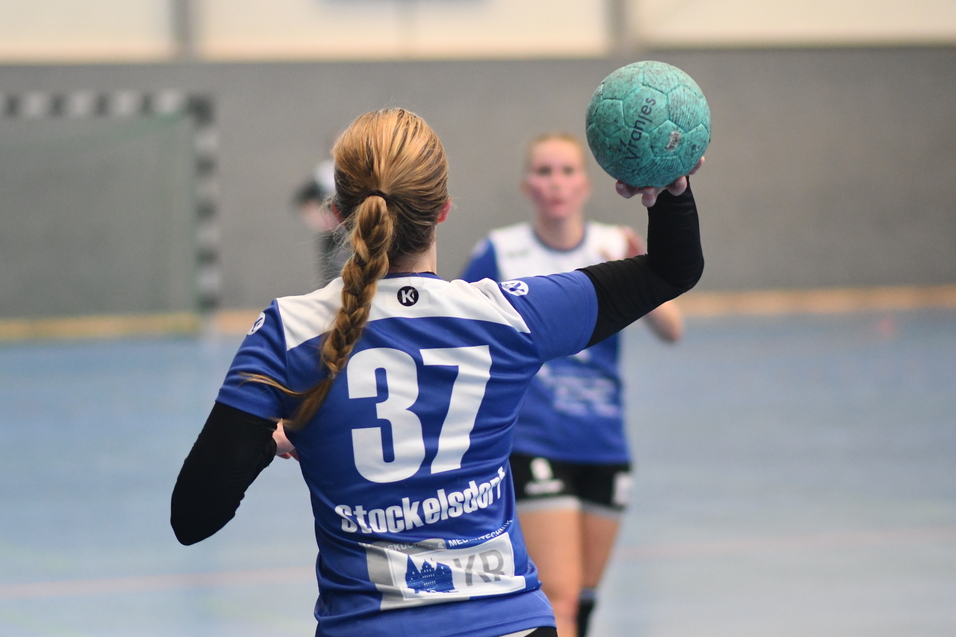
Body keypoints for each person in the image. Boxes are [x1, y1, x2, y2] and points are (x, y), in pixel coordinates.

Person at [170, 108, 704, 637]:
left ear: (338, 211)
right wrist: (668, 186)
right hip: (509, 624)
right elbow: (672, 268)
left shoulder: (285, 333)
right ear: (443, 209)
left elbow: (193, 518)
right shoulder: (511, 316)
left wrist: (267, 441)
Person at [459, 134, 683, 637]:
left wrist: (646, 267)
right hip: (536, 442)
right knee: (557, 598)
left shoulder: (611, 245)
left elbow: (673, 330)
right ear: (526, 185)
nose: (555, 182)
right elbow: (459, 333)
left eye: (566, 171)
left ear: (586, 183)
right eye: (543, 171)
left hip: (604, 442)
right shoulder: (499, 252)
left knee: (582, 603)